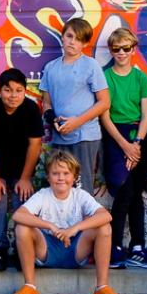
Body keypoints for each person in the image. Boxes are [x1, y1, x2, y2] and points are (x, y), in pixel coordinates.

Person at [7, 150, 126, 294]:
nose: (61, 177)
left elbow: (106, 216)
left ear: (74, 177)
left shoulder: (80, 195)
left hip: (75, 249)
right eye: (55, 173)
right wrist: (50, 226)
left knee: (104, 228)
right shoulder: (43, 195)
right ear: (48, 177)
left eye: (66, 173)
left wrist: (74, 229)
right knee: (22, 227)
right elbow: (18, 215)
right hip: (47, 250)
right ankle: (29, 286)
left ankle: (102, 287)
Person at [99, 26, 147, 268]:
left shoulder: (140, 78)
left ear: (134, 49)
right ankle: (114, 246)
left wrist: (136, 144)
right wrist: (125, 145)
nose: (122, 53)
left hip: (138, 136)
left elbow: (146, 114)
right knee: (123, 192)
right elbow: (105, 116)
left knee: (137, 194)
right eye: (117, 49)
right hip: (116, 136)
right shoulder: (106, 77)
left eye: (126, 48)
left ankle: (138, 246)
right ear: (111, 50)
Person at [0, 67, 44, 272]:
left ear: (25, 91)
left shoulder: (30, 108)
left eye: (18, 90)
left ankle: (22, 248)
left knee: (24, 199)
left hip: (21, 168)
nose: (13, 95)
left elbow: (35, 144)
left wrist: (25, 178)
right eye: (8, 90)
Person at [36, 17, 109, 190]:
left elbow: (104, 102)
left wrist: (77, 122)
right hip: (59, 135)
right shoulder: (51, 68)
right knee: (59, 185)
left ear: (85, 44)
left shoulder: (91, 65)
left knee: (81, 186)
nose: (72, 42)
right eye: (69, 36)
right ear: (62, 37)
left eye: (78, 39)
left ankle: (84, 218)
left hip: (84, 135)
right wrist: (53, 119)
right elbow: (46, 103)